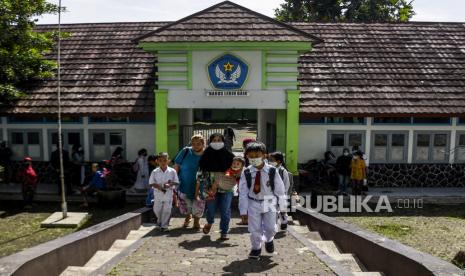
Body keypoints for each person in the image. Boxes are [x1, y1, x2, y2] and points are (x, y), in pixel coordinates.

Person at [239, 142, 286, 260]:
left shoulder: (272, 171)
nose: (254, 158)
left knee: (270, 228)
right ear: (247, 157)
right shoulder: (246, 172)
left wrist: (283, 207)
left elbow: (280, 190)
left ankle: (269, 239)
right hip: (253, 202)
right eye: (251, 156)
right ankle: (256, 248)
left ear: (264, 155)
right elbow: (243, 192)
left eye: (257, 155)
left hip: (269, 201)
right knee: (254, 229)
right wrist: (243, 211)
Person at [199, 133, 235, 240]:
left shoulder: (230, 156)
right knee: (210, 210)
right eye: (214, 140)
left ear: (223, 141)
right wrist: (205, 189)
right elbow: (201, 173)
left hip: (226, 188)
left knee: (225, 210)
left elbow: (234, 170)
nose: (216, 142)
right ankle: (209, 222)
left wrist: (220, 181)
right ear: (210, 142)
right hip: (210, 189)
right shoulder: (205, 156)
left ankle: (224, 231)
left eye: (219, 140)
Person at [174, 134, 205, 230]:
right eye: (194, 143)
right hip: (184, 183)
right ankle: (188, 216)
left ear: (203, 144)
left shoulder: (206, 154)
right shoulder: (186, 151)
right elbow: (177, 165)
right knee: (185, 204)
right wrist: (174, 178)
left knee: (199, 204)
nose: (196, 146)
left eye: (198, 144)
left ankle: (196, 222)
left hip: (201, 185)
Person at [149, 152, 179, 232]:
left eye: (165, 160)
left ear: (168, 161)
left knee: (167, 210)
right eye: (160, 160)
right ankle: (159, 221)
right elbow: (151, 183)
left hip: (168, 193)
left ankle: (164, 225)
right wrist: (159, 187)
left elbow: (176, 182)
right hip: (158, 194)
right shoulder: (154, 172)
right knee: (157, 209)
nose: (163, 162)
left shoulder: (172, 171)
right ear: (157, 161)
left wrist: (169, 184)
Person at [268, 151, 291, 231]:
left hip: (281, 195)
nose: (270, 161)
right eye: (269, 159)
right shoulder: (269, 170)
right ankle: (273, 225)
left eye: (272, 160)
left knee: (282, 210)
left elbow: (286, 184)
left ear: (279, 161)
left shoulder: (282, 171)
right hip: (271, 194)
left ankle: (284, 222)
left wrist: (283, 194)